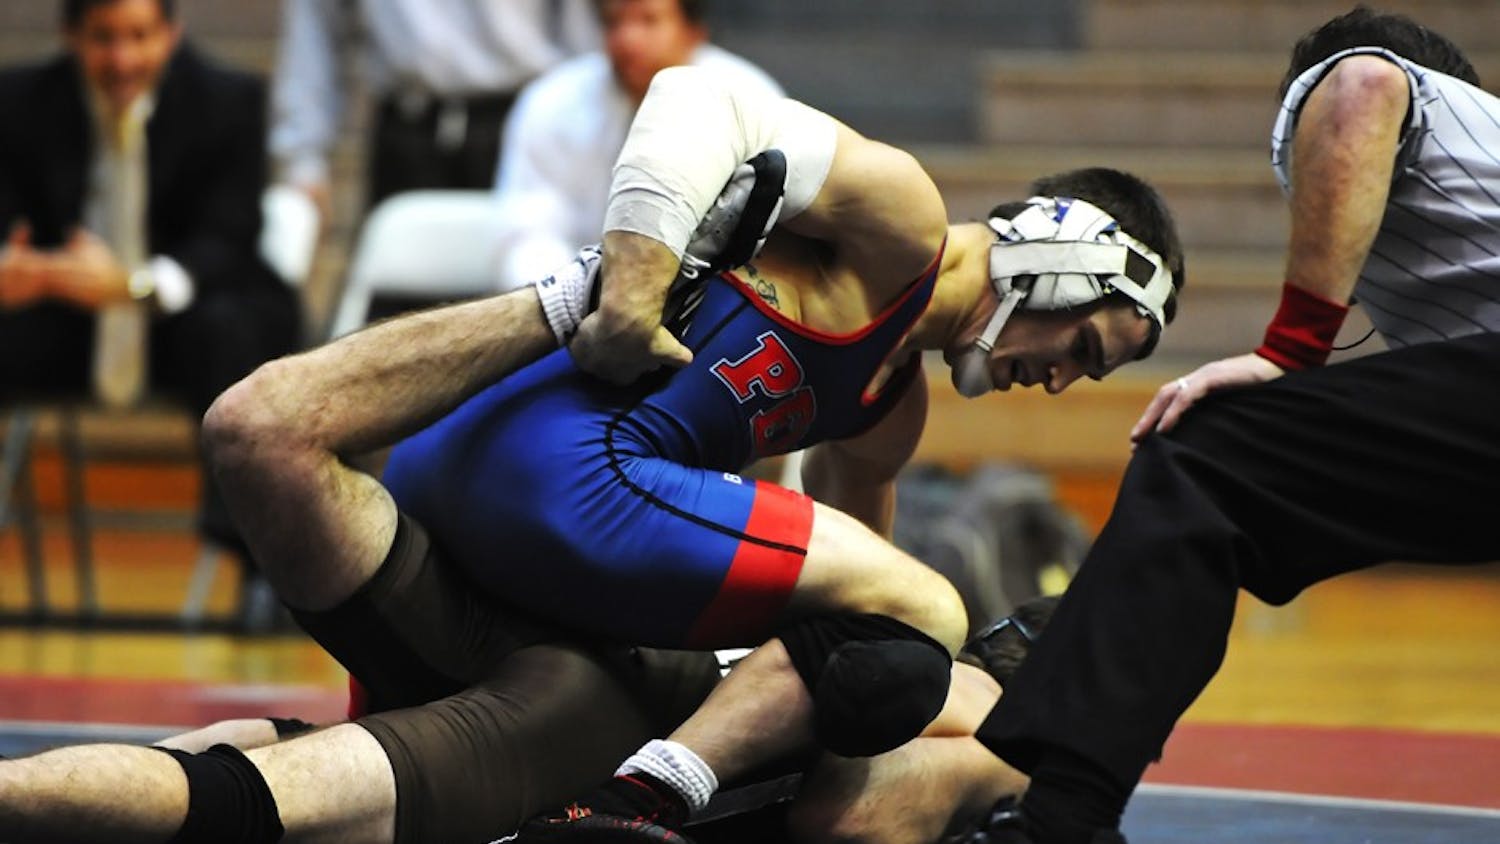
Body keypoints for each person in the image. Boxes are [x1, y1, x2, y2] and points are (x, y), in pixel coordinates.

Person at [0, 67, 1183, 842]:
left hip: (470, 504)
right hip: (572, 481)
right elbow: (694, 95)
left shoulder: (890, 411)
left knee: (286, 779)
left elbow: (840, 653)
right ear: (1071, 256)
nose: (1069, 373)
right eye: (1092, 339)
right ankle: (648, 794)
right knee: (923, 611)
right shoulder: (904, 223)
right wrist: (633, 275)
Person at [972, 8, 1500, 843]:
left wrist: (1292, 351)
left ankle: (1061, 819)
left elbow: (1363, 84)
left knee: (1206, 455)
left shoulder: (1367, 80)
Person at [0, 597, 1059, 844]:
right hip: (583, 746)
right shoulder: (994, 715)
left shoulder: (915, 639)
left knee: (281, 757)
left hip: (582, 664)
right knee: (266, 802)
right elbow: (852, 817)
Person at [0, 0, 301, 555]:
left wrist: (129, 286)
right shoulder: (17, 102)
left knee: (233, 331)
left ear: (171, 33)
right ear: (70, 36)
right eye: (103, 38)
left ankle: (254, 553)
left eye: (140, 36)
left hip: (186, 317)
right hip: (64, 316)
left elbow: (228, 238)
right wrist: (22, 270)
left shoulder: (229, 100)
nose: (123, 58)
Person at [491, 0, 781, 291]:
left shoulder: (751, 99)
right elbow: (529, 234)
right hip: (578, 298)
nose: (628, 39)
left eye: (649, 20)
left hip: (713, 300)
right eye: (614, 22)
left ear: (694, 31)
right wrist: (577, 303)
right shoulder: (551, 101)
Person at [270, 0, 600, 218]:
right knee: (399, 309)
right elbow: (315, 28)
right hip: (408, 127)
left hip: (520, 120)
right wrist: (303, 158)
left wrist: (589, 136)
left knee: (524, 301)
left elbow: (585, 33)